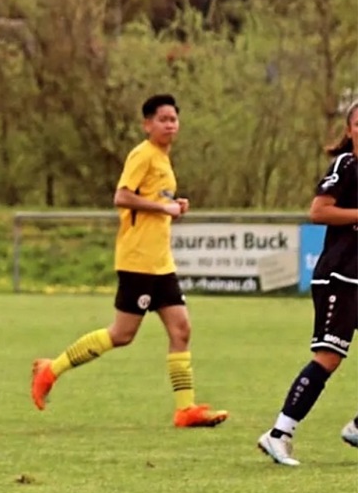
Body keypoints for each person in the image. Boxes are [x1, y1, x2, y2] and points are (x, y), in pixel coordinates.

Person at [30, 94, 228, 428]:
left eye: (173, 119)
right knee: (122, 334)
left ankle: (185, 409)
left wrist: (173, 206)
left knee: (181, 329)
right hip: (138, 260)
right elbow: (122, 196)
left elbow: (151, 201)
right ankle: (51, 370)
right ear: (147, 124)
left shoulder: (164, 159)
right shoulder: (142, 154)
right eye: (162, 119)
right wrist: (162, 208)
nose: (169, 125)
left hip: (161, 262)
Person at [257, 101, 358, 466]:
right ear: (350, 130)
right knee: (329, 357)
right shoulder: (346, 165)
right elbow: (318, 211)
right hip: (339, 276)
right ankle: (278, 433)